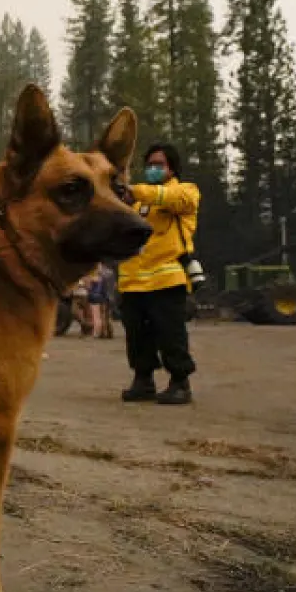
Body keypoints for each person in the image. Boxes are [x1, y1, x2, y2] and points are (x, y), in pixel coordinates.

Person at [117, 144, 200, 405]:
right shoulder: (136, 203)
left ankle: (180, 382)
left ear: (172, 168)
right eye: (150, 164)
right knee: (136, 335)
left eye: (159, 164)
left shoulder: (185, 193)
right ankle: (143, 380)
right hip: (132, 280)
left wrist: (135, 191)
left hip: (166, 277)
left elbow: (171, 198)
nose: (153, 169)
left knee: (170, 333)